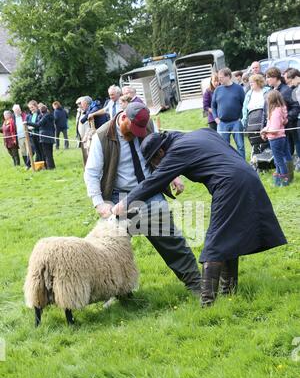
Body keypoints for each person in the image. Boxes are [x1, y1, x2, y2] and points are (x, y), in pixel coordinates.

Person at [112, 129, 287, 307]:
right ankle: (229, 291)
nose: (156, 165)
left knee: (215, 241)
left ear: (161, 152)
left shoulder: (177, 151)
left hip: (229, 185)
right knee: (230, 234)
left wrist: (126, 202)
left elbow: (154, 181)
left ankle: (207, 302)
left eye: (155, 160)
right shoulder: (201, 133)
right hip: (248, 176)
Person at [84, 102, 202, 296]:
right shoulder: (103, 136)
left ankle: (197, 284)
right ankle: (120, 293)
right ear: (123, 118)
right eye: (134, 129)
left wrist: (173, 175)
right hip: (119, 195)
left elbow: (159, 153)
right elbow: (91, 173)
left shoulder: (147, 125)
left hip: (148, 190)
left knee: (171, 240)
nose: (139, 134)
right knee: (112, 248)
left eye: (142, 130)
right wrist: (99, 203)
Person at [265, 66, 300, 181]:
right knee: (284, 154)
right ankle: (286, 177)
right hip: (277, 130)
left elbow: (295, 107)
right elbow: (267, 111)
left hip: (287, 128)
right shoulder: (271, 92)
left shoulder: (286, 90)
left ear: (275, 77)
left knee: (287, 154)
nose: (267, 80)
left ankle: (287, 178)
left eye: (269, 77)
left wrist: (284, 121)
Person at [212, 67, 246, 159]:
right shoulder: (217, 90)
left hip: (236, 122)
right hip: (222, 123)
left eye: (221, 77)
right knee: (223, 147)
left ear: (228, 76)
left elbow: (245, 104)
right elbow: (213, 106)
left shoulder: (238, 89)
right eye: (219, 77)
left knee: (240, 145)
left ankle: (243, 165)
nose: (219, 79)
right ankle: (228, 165)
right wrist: (216, 118)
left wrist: (241, 117)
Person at [260, 91, 290, 186]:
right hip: (278, 137)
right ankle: (277, 182)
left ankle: (285, 181)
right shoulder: (275, 110)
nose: (267, 101)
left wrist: (266, 132)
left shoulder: (276, 112)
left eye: (268, 99)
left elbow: (275, 129)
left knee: (279, 161)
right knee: (278, 160)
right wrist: (263, 131)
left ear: (271, 100)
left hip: (276, 139)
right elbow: (269, 125)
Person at [26, 104, 56, 169]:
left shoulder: (45, 116)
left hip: (45, 136)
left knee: (47, 153)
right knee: (49, 152)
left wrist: (27, 123)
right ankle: (51, 166)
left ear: (41, 110)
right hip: (49, 135)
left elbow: (38, 124)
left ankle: (50, 167)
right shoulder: (48, 115)